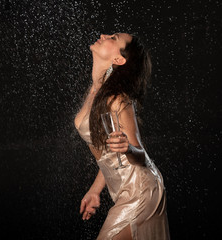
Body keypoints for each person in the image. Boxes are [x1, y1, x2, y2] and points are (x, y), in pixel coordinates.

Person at [74, 32, 170, 240]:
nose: (103, 35)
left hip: (141, 191)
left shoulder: (118, 99)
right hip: (122, 191)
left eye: (113, 37)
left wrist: (127, 148)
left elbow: (140, 154)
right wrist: (95, 190)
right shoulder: (97, 89)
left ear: (118, 60)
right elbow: (107, 152)